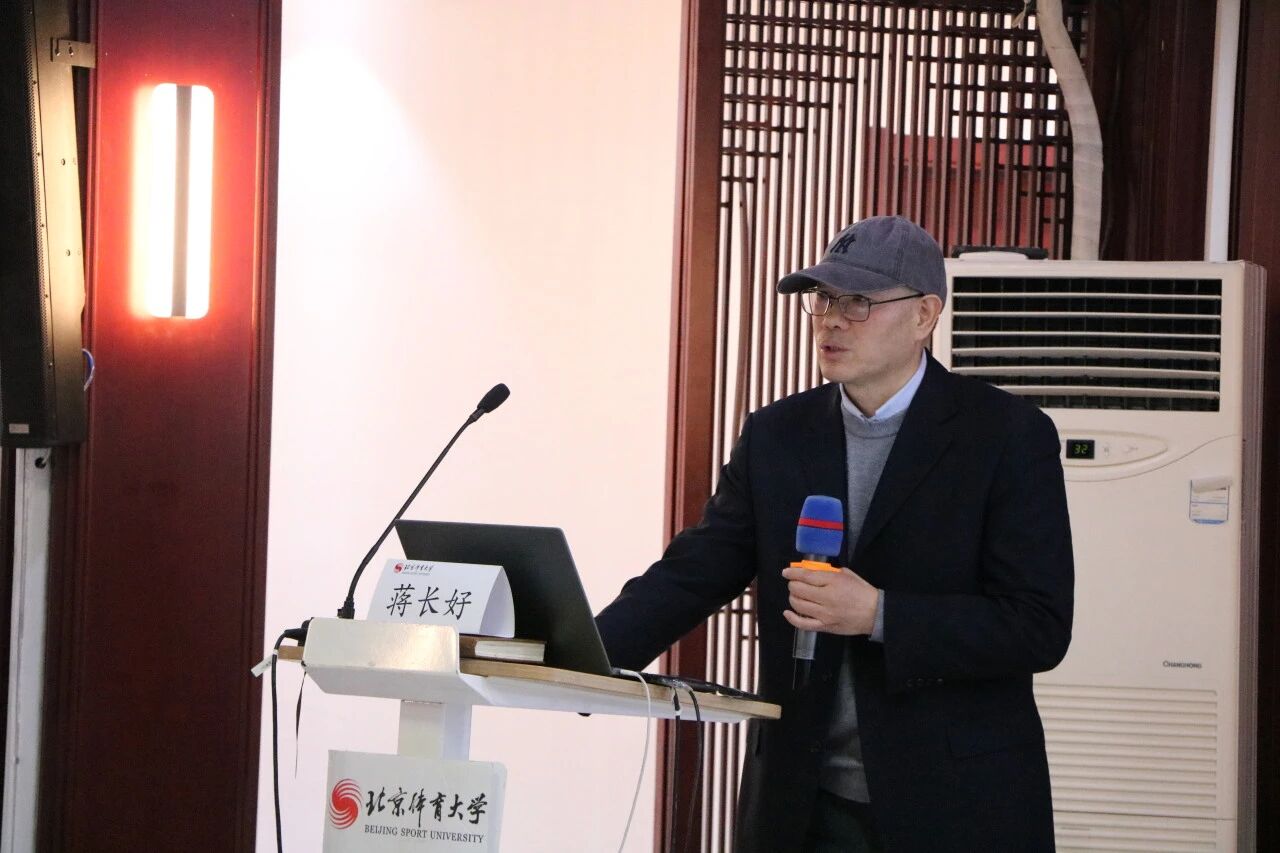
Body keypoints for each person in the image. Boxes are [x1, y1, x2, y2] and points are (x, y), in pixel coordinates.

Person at [595, 215, 1074, 853]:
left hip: (956, 801)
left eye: (858, 302)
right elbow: (694, 571)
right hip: (802, 801)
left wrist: (880, 614)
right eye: (823, 300)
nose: (831, 320)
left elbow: (1038, 625)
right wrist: (583, 654)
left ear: (925, 315)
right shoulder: (777, 435)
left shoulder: (1006, 435)